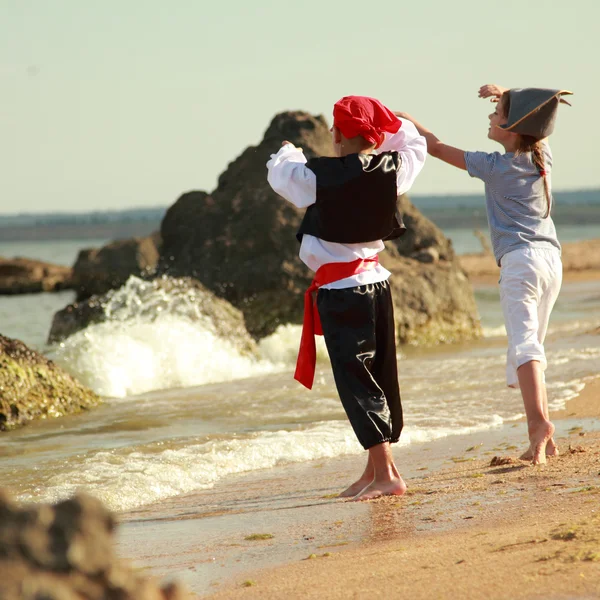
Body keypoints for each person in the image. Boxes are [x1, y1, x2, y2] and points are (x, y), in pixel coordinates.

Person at [396, 85, 572, 465]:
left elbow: (437, 148)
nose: (490, 117)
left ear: (513, 127)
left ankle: (538, 427)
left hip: (521, 263)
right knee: (532, 348)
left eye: (498, 113)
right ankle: (545, 430)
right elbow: (534, 115)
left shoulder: (496, 166)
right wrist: (506, 92)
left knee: (525, 346)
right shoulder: (544, 158)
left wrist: (411, 124)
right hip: (551, 262)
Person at [266, 96, 427, 500]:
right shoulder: (395, 170)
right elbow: (414, 143)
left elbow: (280, 174)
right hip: (377, 284)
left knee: (357, 380)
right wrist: (395, 122)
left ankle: (387, 474)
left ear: (335, 134)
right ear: (375, 133)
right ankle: (375, 470)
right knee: (379, 375)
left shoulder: (317, 177)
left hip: (342, 292)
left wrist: (289, 150)